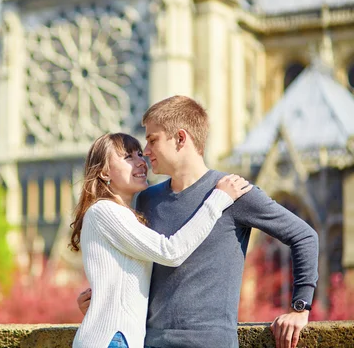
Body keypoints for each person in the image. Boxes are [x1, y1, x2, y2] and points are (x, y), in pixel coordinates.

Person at [77, 96, 319, 348]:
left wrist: (300, 308)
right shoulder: (147, 199)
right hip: (150, 343)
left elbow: (304, 236)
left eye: (152, 140)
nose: (146, 153)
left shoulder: (234, 192)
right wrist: (104, 299)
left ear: (181, 138)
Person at [70, 132, 252, 348]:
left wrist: (101, 301)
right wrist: (218, 200)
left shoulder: (121, 214)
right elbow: (170, 252)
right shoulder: (105, 210)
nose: (141, 162)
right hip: (114, 340)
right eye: (128, 157)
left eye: (139, 154)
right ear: (103, 171)